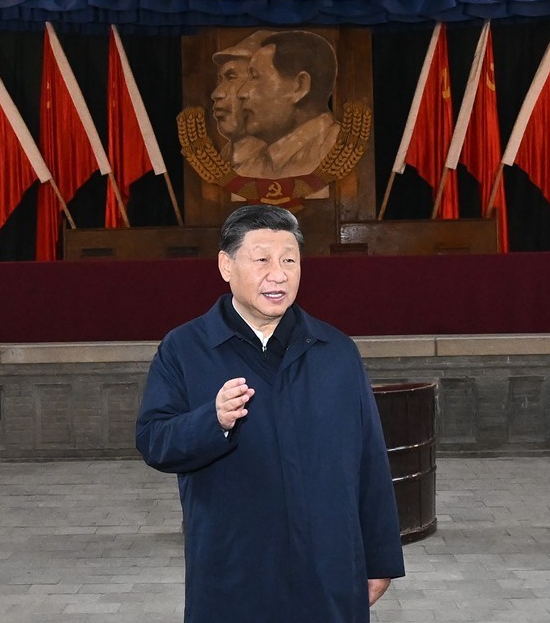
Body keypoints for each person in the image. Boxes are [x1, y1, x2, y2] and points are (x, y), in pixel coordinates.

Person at [136, 204, 404, 623]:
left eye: (289, 261)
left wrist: (380, 557)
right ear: (226, 265)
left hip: (327, 567)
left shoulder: (335, 351)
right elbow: (154, 440)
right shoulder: (185, 348)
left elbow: (370, 460)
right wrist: (212, 420)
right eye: (261, 259)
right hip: (233, 570)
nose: (278, 274)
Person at [236, 31, 341, 178]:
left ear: (299, 86)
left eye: (254, 76)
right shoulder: (248, 168)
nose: (241, 93)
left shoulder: (340, 151)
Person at [210, 31, 272, 172]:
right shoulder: (224, 159)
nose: (216, 94)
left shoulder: (282, 163)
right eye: (220, 81)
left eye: (231, 77)